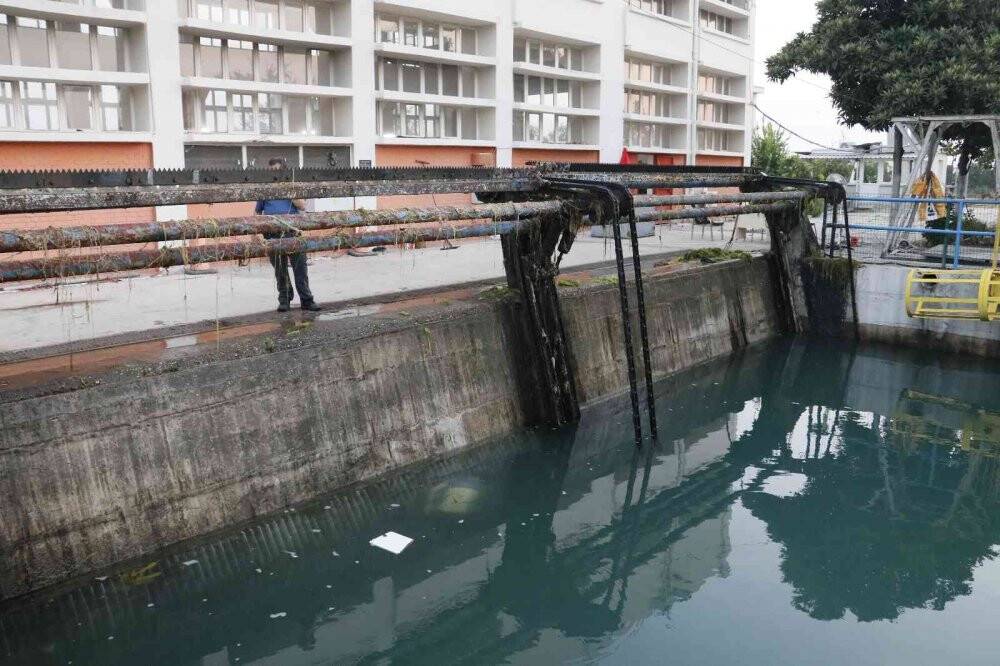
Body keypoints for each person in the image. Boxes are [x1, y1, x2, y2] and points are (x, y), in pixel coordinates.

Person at [256, 157, 322, 312]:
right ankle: (285, 299)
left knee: (300, 269)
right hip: (272, 235)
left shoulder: (292, 187)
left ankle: (307, 300)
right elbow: (257, 212)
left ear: (284, 171)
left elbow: (303, 206)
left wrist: (288, 191)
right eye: (272, 171)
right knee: (280, 270)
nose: (275, 174)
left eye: (278, 171)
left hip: (292, 233)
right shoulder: (265, 190)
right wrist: (258, 231)